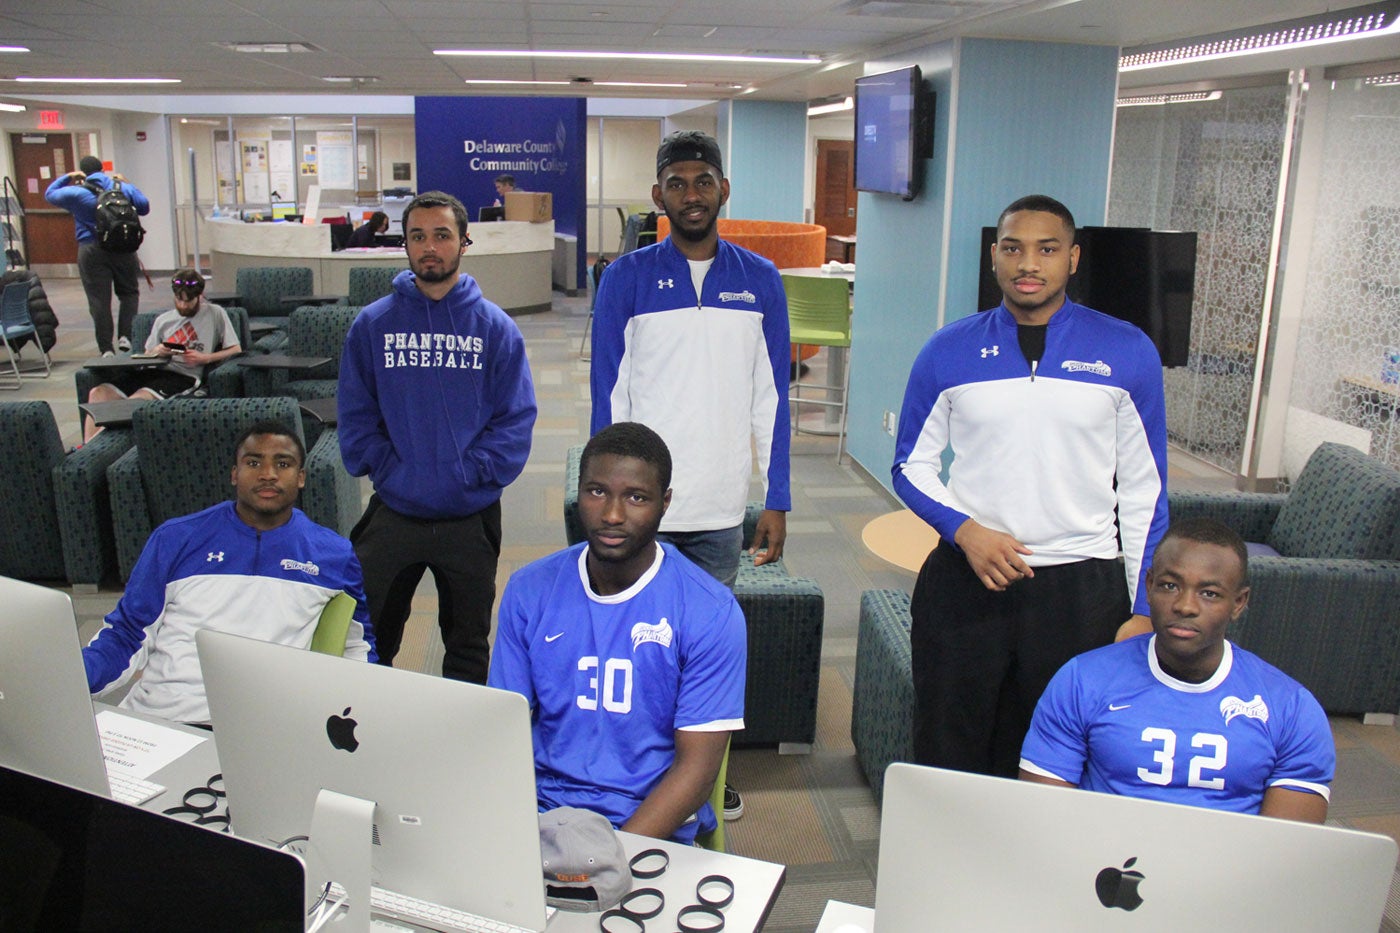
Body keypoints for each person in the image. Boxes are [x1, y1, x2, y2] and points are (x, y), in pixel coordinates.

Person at [892, 193, 1169, 778]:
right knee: (948, 743)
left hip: (1080, 587)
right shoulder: (948, 349)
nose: (1028, 264)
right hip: (967, 579)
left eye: (1047, 249)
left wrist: (1143, 606)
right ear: (994, 257)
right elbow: (909, 468)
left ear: (1072, 258)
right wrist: (965, 532)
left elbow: (1145, 492)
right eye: (1014, 248)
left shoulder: (1127, 351)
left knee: (1057, 756)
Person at [590, 129, 790, 821]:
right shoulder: (627, 278)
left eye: (703, 180)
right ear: (657, 197)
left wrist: (778, 495)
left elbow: (772, 400)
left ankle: (706, 778)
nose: (691, 194)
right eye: (677, 183)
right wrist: (605, 499)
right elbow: (607, 396)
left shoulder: (760, 279)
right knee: (638, 651)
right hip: (641, 513)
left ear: (724, 190)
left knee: (708, 659)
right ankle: (639, 773)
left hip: (719, 508)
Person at [489, 423, 745, 844]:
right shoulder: (529, 590)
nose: (612, 514)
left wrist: (612, 856)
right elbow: (503, 730)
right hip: (541, 814)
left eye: (636, 497)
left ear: (664, 504)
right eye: (596, 491)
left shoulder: (710, 612)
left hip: (647, 823)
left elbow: (696, 773)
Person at [338, 190, 536, 683]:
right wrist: (392, 470)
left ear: (464, 242)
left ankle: (460, 752)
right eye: (418, 236)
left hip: (469, 515)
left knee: (468, 646)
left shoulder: (496, 329)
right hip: (396, 508)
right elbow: (356, 416)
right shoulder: (373, 326)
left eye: (442, 235)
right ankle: (365, 739)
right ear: (403, 244)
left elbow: (515, 421)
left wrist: (468, 475)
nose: (430, 247)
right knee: (369, 640)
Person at [1019, 519, 1334, 823]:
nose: (1185, 606)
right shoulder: (1080, 681)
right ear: (1149, 586)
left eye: (1209, 593)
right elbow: (1046, 821)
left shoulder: (1291, 708)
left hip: (1229, 873)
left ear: (1238, 603)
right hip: (1106, 868)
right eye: (1170, 586)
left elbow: (1286, 852)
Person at [82, 422, 376, 725]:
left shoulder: (334, 555)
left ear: (301, 478)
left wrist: (361, 712)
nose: (268, 474)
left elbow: (358, 646)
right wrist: (72, 674)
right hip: (164, 716)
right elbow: (127, 635)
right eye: (253, 462)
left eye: (283, 464)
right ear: (234, 473)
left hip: (263, 728)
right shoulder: (175, 538)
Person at [81, 269, 242, 443]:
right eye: (179, 300)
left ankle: (96, 448)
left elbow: (236, 349)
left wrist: (205, 358)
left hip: (182, 375)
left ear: (200, 296)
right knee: (98, 393)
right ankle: (87, 449)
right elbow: (148, 354)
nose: (183, 306)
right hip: (155, 369)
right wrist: (159, 350)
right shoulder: (163, 320)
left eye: (189, 301)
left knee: (134, 403)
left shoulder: (214, 313)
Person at [44, 155, 151, 356]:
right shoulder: (121, 188)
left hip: (91, 249)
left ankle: (106, 349)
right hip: (123, 248)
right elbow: (144, 206)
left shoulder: (76, 193)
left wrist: (68, 177)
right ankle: (126, 336)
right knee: (129, 293)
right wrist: (128, 183)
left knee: (99, 300)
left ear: (83, 173)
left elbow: (49, 194)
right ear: (103, 170)